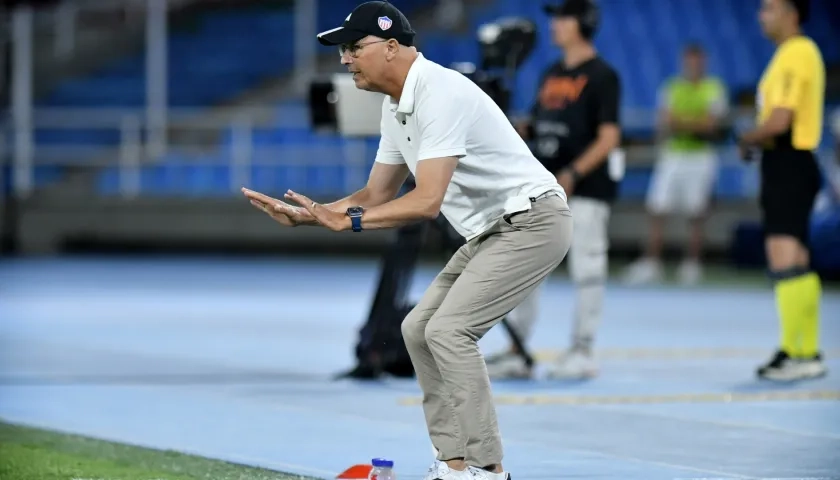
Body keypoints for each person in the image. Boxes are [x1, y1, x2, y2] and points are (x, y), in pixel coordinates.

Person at [242, 2, 574, 478]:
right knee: (417, 330)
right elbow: (375, 193)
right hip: (490, 230)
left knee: (449, 331)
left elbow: (425, 202)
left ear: (392, 47)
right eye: (344, 50)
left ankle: (488, 468)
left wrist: (349, 222)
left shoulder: (439, 92)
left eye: (355, 47)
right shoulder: (396, 106)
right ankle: (453, 464)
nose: (344, 59)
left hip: (534, 221)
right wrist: (312, 216)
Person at [485, 0, 622, 380]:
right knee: (527, 267)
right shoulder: (552, 72)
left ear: (583, 23)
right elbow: (540, 123)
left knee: (588, 269)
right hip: (546, 188)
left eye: (563, 17)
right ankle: (518, 349)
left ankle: (583, 349)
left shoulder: (602, 76)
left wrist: (574, 172)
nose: (555, 25)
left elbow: (610, 137)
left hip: (585, 189)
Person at [737, 0, 827, 381]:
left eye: (769, 8)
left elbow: (780, 120)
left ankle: (795, 351)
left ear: (792, 13)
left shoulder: (797, 53)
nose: (762, 15)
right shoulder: (792, 54)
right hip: (789, 163)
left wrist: (748, 137)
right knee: (798, 259)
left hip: (788, 161)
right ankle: (807, 350)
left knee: (783, 256)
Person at [622, 44, 729, 286]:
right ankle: (652, 263)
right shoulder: (672, 88)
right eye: (689, 61)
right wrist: (695, 123)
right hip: (673, 156)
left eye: (697, 61)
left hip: (701, 158)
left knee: (697, 213)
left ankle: (692, 265)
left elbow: (711, 126)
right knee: (657, 210)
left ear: (703, 62)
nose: (692, 66)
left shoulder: (714, 88)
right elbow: (665, 123)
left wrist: (682, 123)